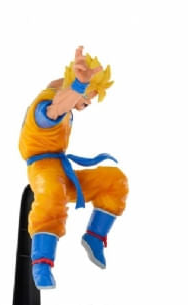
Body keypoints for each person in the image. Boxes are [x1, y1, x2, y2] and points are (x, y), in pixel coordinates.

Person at [19, 46, 129, 290]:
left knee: (114, 179)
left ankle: (94, 237)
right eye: (86, 100)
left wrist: (77, 80)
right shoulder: (45, 109)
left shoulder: (57, 91)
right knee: (51, 193)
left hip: (61, 167)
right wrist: (79, 85)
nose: (86, 104)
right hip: (42, 169)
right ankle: (42, 263)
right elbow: (57, 107)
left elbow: (58, 86)